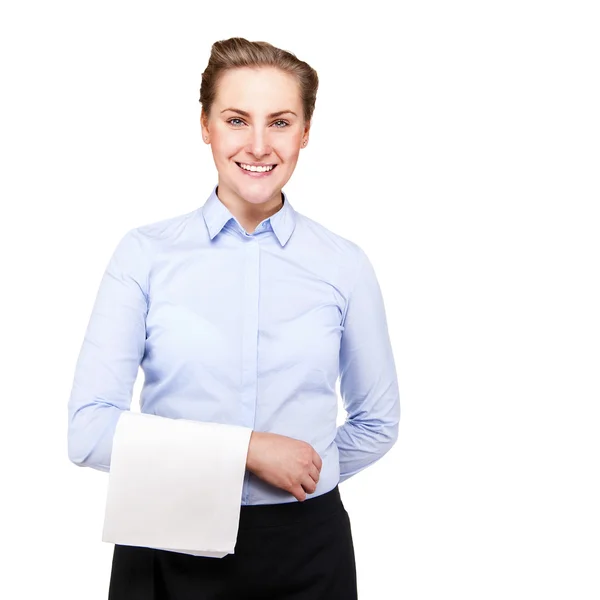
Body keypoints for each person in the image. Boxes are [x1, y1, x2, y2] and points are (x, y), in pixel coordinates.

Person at [67, 36, 400, 599]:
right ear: (205, 126)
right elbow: (89, 432)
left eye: (281, 122)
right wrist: (249, 452)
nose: (258, 144)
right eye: (237, 119)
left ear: (306, 132)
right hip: (165, 544)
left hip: (306, 550)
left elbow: (378, 423)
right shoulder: (144, 255)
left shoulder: (344, 265)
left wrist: (308, 470)